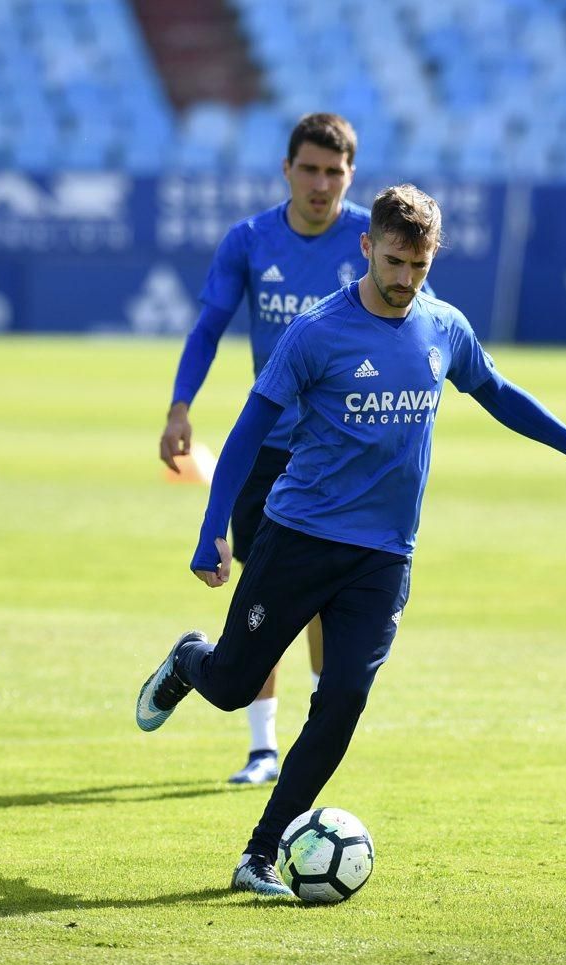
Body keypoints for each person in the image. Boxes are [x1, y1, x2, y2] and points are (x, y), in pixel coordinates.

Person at [137, 184, 566, 896]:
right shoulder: (317, 332)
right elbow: (251, 430)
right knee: (230, 686)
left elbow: (498, 391)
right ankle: (191, 660)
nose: (406, 279)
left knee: (342, 699)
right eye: (396, 261)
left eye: (420, 264)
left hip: (384, 557)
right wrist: (212, 527)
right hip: (298, 538)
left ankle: (258, 852)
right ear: (367, 247)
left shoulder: (444, 327)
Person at [158, 113, 366, 786]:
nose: (321, 183)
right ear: (286, 170)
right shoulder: (250, 239)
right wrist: (180, 405)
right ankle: (262, 747)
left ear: (350, 176)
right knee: (265, 594)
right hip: (268, 449)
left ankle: (312, 735)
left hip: (337, 454)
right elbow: (209, 326)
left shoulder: (369, 241)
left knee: (325, 601)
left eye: (334, 171)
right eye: (309, 168)